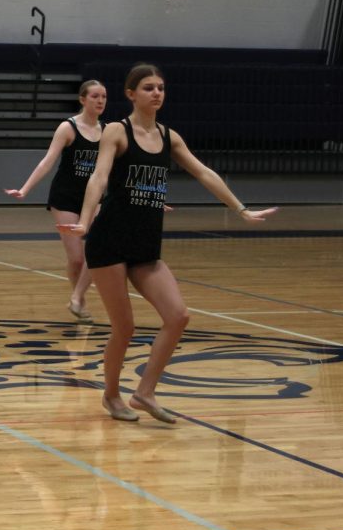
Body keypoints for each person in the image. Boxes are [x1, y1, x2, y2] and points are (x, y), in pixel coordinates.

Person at [59, 64, 277, 424]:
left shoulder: (169, 136)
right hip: (109, 241)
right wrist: (84, 221)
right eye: (148, 88)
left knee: (178, 316)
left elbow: (204, 172)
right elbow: (98, 177)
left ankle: (144, 393)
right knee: (124, 328)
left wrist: (240, 209)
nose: (156, 93)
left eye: (160, 87)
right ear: (131, 94)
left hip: (145, 243)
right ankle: (111, 395)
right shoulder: (117, 130)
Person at [5, 80, 107, 323]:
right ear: (83, 99)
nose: (100, 100)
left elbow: (118, 167)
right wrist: (25, 188)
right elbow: (47, 161)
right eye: (94, 96)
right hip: (66, 198)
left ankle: (76, 297)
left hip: (93, 199)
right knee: (76, 258)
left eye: (103, 96)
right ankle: (79, 300)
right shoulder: (68, 127)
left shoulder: (108, 130)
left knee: (97, 250)